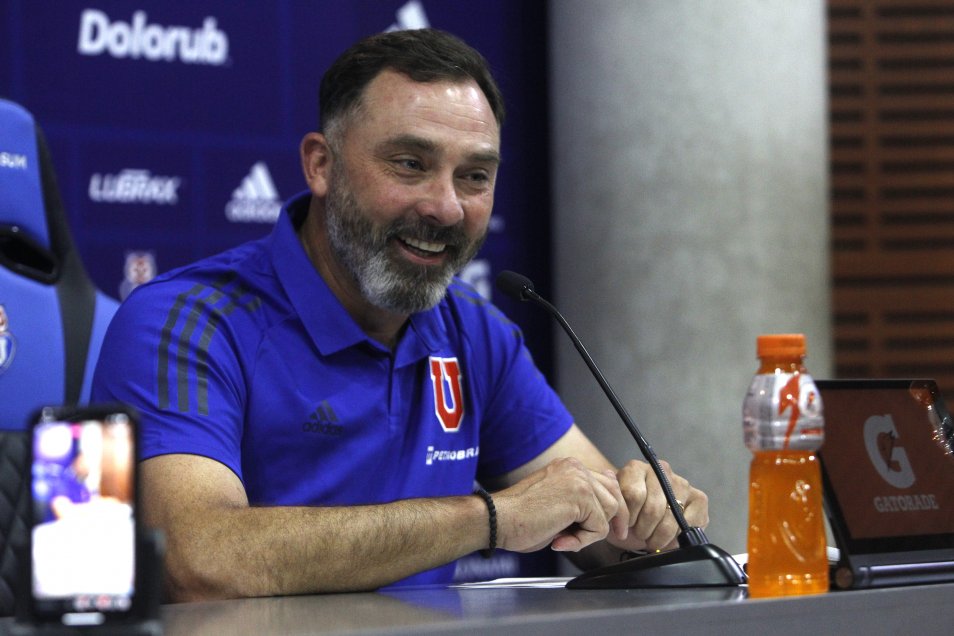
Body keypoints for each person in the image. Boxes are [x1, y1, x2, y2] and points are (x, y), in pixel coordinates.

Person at [91, 28, 708, 602]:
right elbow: (199, 560)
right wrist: (492, 519)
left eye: (474, 176)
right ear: (321, 165)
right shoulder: (185, 321)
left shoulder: (475, 332)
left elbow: (606, 529)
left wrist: (650, 515)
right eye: (410, 164)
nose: (445, 207)